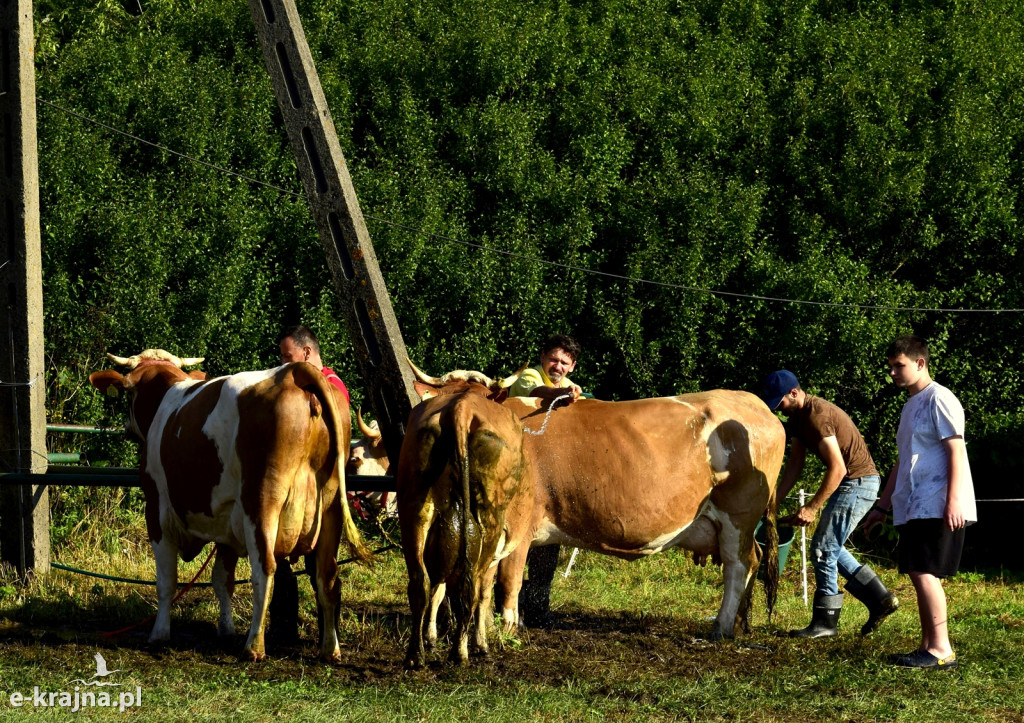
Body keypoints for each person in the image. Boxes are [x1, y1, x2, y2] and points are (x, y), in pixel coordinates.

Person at [862, 335, 976, 670]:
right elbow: (902, 461)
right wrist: (882, 507)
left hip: (938, 501)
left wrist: (954, 500)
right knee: (917, 571)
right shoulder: (911, 405)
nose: (893, 373)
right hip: (914, 502)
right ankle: (928, 646)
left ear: (920, 363)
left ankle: (941, 649)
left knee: (926, 572)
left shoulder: (939, 398)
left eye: (899, 366)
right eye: (891, 367)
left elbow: (956, 451)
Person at [761, 369, 898, 638]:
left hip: (858, 483)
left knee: (823, 549)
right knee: (831, 548)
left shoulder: (816, 415)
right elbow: (795, 464)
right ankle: (881, 600)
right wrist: (773, 503)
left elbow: (837, 469)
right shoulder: (798, 419)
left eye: (782, 403)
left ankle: (826, 623)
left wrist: (811, 508)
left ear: (795, 392)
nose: (780, 409)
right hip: (853, 482)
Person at [269, 324, 352, 642]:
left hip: (321, 495)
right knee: (280, 561)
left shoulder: (332, 387)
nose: (283, 364)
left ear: (306, 353)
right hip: (298, 492)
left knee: (321, 564)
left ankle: (326, 631)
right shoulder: (307, 386)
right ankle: (286, 628)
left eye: (287, 356)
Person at [508, 334, 583, 626]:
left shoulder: (569, 387)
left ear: (572, 366)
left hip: (547, 472)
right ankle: (503, 605)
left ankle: (537, 608)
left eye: (565, 362)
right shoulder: (529, 376)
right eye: (553, 359)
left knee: (546, 549)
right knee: (511, 547)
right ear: (542, 358)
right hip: (516, 465)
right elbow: (537, 391)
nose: (558, 366)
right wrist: (562, 396)